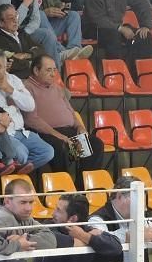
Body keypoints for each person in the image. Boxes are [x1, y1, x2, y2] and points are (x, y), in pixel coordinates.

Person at [23, 54, 104, 182]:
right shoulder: (27, 87)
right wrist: (58, 135)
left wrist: (80, 126)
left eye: (54, 70)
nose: (53, 74)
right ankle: (63, 191)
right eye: (48, 70)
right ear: (36, 70)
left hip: (67, 132)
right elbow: (31, 119)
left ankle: (82, 190)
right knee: (60, 146)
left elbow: (71, 111)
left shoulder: (56, 88)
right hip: (45, 133)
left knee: (95, 145)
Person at [0, 48, 54, 173]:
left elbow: (30, 105)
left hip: (21, 131)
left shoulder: (13, 80)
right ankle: (16, 170)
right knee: (22, 154)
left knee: (47, 152)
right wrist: (14, 107)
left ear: (6, 66)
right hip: (4, 134)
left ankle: (14, 171)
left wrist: (11, 90)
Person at [30, 193, 124, 262]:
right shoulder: (49, 227)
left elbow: (116, 247)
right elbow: (54, 239)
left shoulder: (86, 230)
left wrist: (83, 236)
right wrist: (87, 239)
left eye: (58, 210)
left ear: (73, 219)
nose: (53, 213)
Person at [83, 0, 152, 63]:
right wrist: (120, 29)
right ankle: (116, 73)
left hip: (116, 28)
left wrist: (146, 25)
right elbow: (98, 19)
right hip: (93, 29)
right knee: (113, 36)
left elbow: (142, 3)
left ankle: (137, 73)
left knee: (144, 37)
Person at [87, 175, 152, 246]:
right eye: (138, 202)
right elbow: (100, 239)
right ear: (119, 196)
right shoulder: (96, 219)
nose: (144, 209)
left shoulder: (134, 214)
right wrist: (135, 236)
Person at [0, 3, 42, 79]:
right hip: (17, 80)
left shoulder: (21, 33)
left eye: (16, 16)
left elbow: (41, 50)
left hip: (33, 76)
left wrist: (26, 55)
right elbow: (11, 63)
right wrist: (31, 62)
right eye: (11, 18)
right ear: (1, 22)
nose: (15, 20)